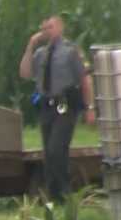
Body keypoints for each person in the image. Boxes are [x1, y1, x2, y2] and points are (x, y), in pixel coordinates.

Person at [19, 14, 95, 203]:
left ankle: (63, 192)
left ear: (60, 28)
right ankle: (53, 195)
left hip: (65, 104)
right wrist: (30, 45)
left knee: (57, 148)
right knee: (48, 151)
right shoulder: (40, 54)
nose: (47, 32)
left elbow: (84, 80)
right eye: (44, 28)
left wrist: (89, 107)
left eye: (50, 27)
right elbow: (25, 73)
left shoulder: (71, 51)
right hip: (47, 106)